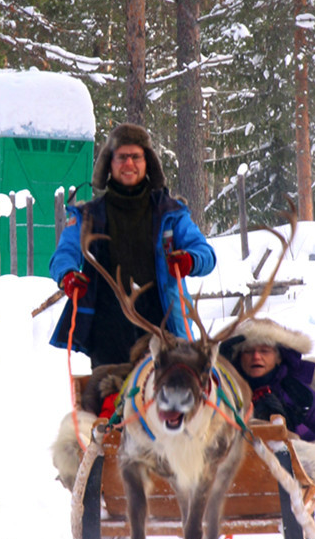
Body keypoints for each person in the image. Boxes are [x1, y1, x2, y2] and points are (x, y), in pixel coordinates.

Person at [49, 123, 216, 367]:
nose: (129, 164)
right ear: (109, 164)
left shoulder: (171, 212)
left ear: (148, 162)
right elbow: (64, 254)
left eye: (136, 157)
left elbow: (205, 254)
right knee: (110, 401)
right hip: (107, 334)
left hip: (164, 330)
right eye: (122, 157)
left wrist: (191, 260)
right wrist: (68, 275)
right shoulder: (87, 216)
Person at [219, 318, 315, 441]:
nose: (256, 357)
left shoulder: (299, 394)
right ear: (239, 358)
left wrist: (294, 425)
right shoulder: (225, 391)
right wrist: (221, 364)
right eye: (248, 351)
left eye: (264, 351)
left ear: (278, 358)